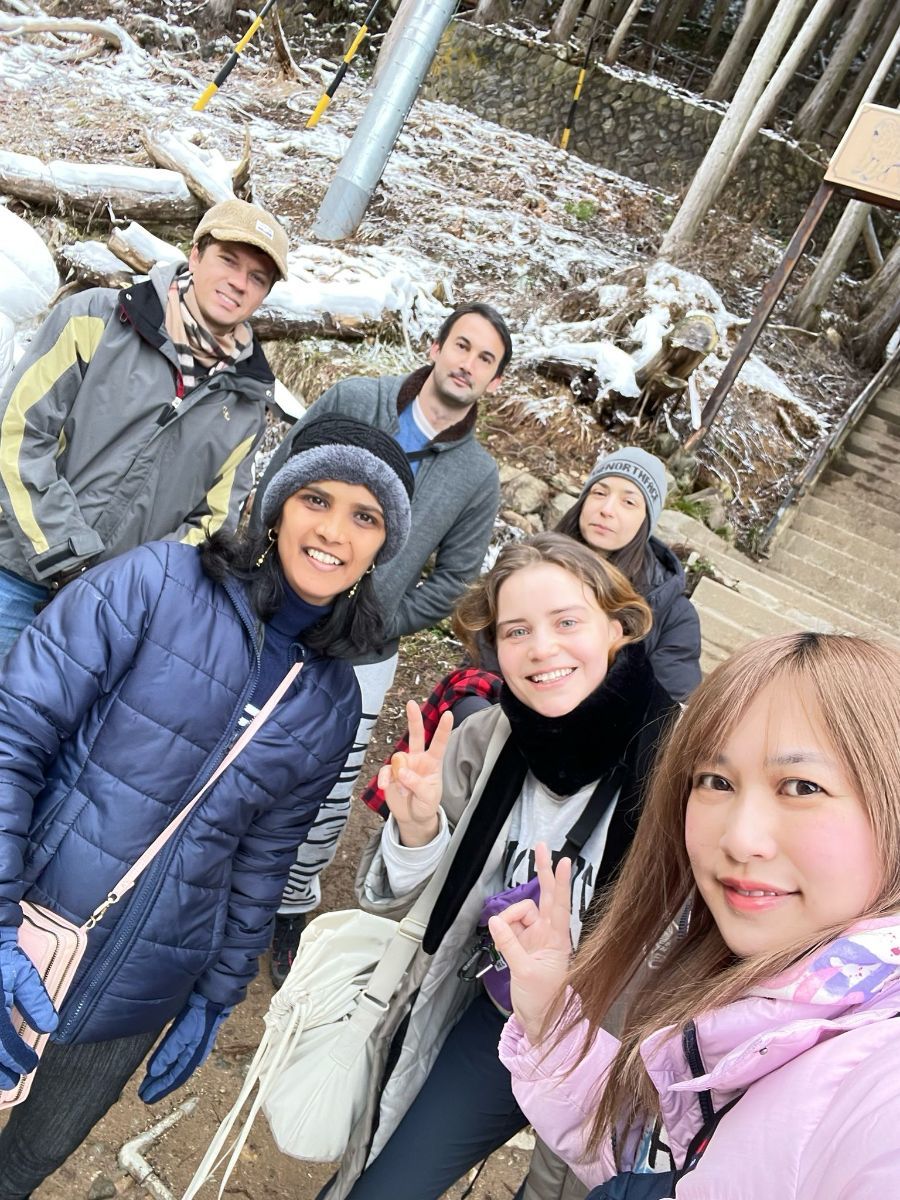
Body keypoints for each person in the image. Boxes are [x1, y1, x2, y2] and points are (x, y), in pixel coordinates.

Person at [0, 415, 414, 1200]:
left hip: (139, 987)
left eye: (365, 516)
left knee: (24, 1166)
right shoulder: (157, 583)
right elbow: (12, 734)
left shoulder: (331, 701)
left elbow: (264, 861)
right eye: (317, 500)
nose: (334, 531)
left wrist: (217, 994)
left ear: (381, 546)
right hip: (23, 928)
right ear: (276, 507)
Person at [322, 532, 677, 1200]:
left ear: (618, 627)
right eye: (517, 631)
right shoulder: (487, 737)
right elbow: (402, 902)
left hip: (614, 1048)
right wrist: (417, 829)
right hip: (497, 1014)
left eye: (566, 622)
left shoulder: (687, 767)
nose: (541, 648)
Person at [495, 632, 900, 1199]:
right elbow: (672, 1162)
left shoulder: (879, 1083)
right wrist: (548, 1014)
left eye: (802, 786)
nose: (739, 838)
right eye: (716, 781)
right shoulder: (756, 990)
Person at [257, 301, 513, 985]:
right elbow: (278, 483)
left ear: (493, 381)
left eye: (485, 359)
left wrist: (377, 620)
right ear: (435, 347)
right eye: (461, 345)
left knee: (329, 784)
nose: (467, 363)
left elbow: (456, 580)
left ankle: (291, 905)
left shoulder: (476, 476)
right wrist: (262, 578)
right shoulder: (355, 401)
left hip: (363, 653)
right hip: (275, 617)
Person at [0, 198, 289, 659]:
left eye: (257, 278)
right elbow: (17, 435)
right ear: (195, 255)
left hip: (109, 615)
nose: (239, 282)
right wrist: (68, 557)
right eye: (228, 261)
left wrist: (126, 587)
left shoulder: (248, 403)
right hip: (14, 574)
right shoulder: (94, 319)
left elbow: (211, 525)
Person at [556, 447, 701, 701]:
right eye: (599, 493)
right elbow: (488, 658)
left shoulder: (674, 616)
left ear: (646, 520)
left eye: (629, 502)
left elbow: (666, 711)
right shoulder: (530, 566)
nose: (607, 509)